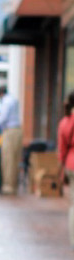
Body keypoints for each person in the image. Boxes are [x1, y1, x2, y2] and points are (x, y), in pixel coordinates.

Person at [0, 84, 22, 194]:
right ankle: (13, 185)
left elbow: (2, 119)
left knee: (8, 160)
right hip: (17, 130)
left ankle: (8, 187)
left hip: (10, 132)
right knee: (15, 160)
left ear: (0, 94)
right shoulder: (13, 100)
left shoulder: (6, 102)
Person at [57, 90, 74, 249]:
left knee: (73, 205)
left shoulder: (64, 122)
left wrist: (62, 169)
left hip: (70, 164)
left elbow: (61, 149)